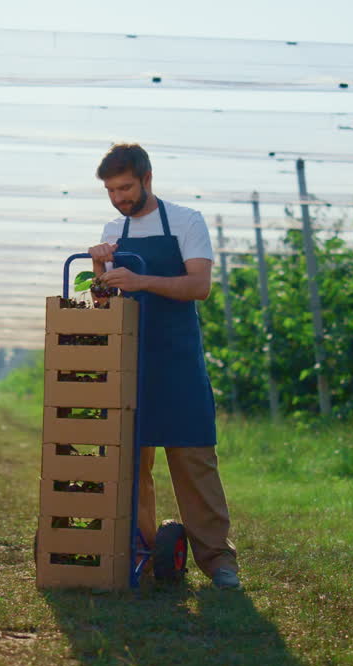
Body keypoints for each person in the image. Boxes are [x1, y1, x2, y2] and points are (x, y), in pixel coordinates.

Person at [87, 143, 240, 590]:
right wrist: (99, 267)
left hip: (177, 359)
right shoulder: (113, 230)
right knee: (131, 463)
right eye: (111, 191)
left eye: (125, 188)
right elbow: (104, 304)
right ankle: (145, 553)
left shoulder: (187, 222)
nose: (119, 198)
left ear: (147, 179)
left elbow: (199, 285)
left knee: (194, 460)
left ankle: (218, 560)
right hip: (129, 362)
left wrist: (141, 282)